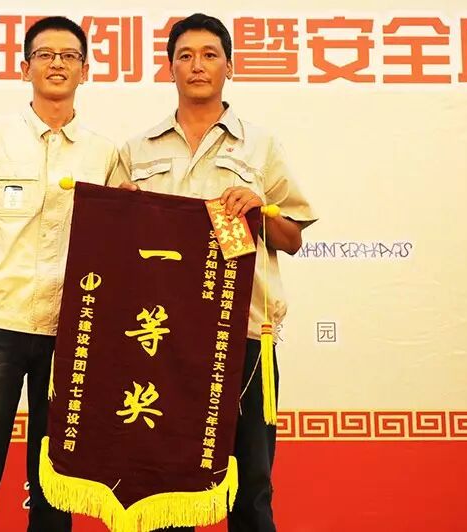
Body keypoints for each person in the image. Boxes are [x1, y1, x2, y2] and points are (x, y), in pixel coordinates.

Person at [109, 13, 317, 532]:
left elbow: (293, 238)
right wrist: (121, 213)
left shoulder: (260, 145)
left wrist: (261, 210)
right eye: (185, 56)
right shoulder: (136, 149)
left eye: (209, 55)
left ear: (230, 66)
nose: (197, 65)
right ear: (170, 68)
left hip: (241, 332)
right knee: (163, 486)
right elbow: (111, 248)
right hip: (160, 338)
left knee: (251, 486)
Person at [0, 16, 118, 532]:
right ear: (25, 67)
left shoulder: (104, 153)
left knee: (54, 480)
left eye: (69, 56)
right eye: (45, 54)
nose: (57, 64)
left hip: (71, 333)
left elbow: (122, 239)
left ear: (85, 70)